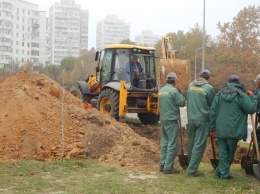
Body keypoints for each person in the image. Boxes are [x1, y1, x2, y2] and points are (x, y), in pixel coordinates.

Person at [209, 75, 257, 179]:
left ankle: (220, 171)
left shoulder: (219, 94)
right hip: (234, 130)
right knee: (230, 153)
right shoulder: (241, 95)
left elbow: (212, 111)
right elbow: (251, 108)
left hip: (220, 129)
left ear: (228, 82)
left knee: (223, 153)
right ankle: (224, 174)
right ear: (238, 83)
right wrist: (252, 97)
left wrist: (212, 128)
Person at [186, 69, 216, 177]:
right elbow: (213, 104)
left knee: (191, 143)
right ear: (209, 78)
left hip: (191, 119)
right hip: (202, 119)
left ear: (199, 75)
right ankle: (192, 170)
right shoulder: (208, 88)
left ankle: (190, 165)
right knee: (199, 145)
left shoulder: (190, 85)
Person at [158, 72, 186, 174]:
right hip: (172, 120)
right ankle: (168, 167)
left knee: (164, 143)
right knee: (172, 144)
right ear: (174, 81)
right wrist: (180, 94)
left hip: (163, 119)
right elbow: (182, 103)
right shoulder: (174, 91)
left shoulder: (161, 91)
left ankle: (162, 164)